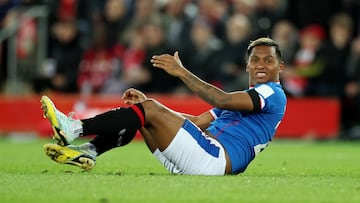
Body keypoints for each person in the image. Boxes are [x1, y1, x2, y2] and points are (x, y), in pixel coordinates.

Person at [41, 37, 286, 175]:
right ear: (247, 66)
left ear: (280, 67)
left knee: (148, 110)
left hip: (215, 157)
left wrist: (181, 72)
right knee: (143, 112)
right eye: (255, 59)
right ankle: (91, 150)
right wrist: (149, 106)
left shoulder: (273, 93)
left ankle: (73, 128)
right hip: (204, 157)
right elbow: (198, 122)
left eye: (268, 60)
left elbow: (220, 99)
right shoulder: (245, 97)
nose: (260, 64)